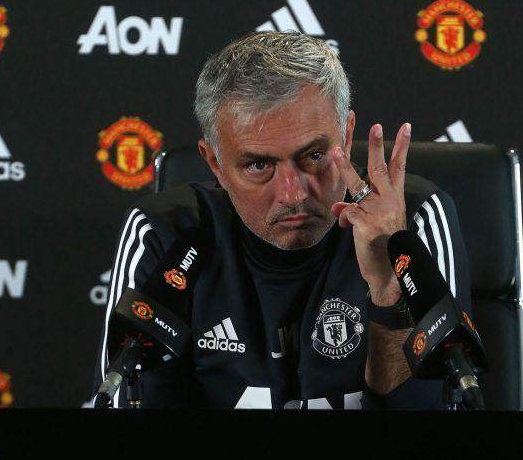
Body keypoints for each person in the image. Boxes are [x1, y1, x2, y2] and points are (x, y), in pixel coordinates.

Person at [92, 31, 472, 409]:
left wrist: (388, 292)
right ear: (215, 163)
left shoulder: (410, 221)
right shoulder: (163, 235)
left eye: (314, 156)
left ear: (346, 134)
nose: (293, 194)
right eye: (259, 165)